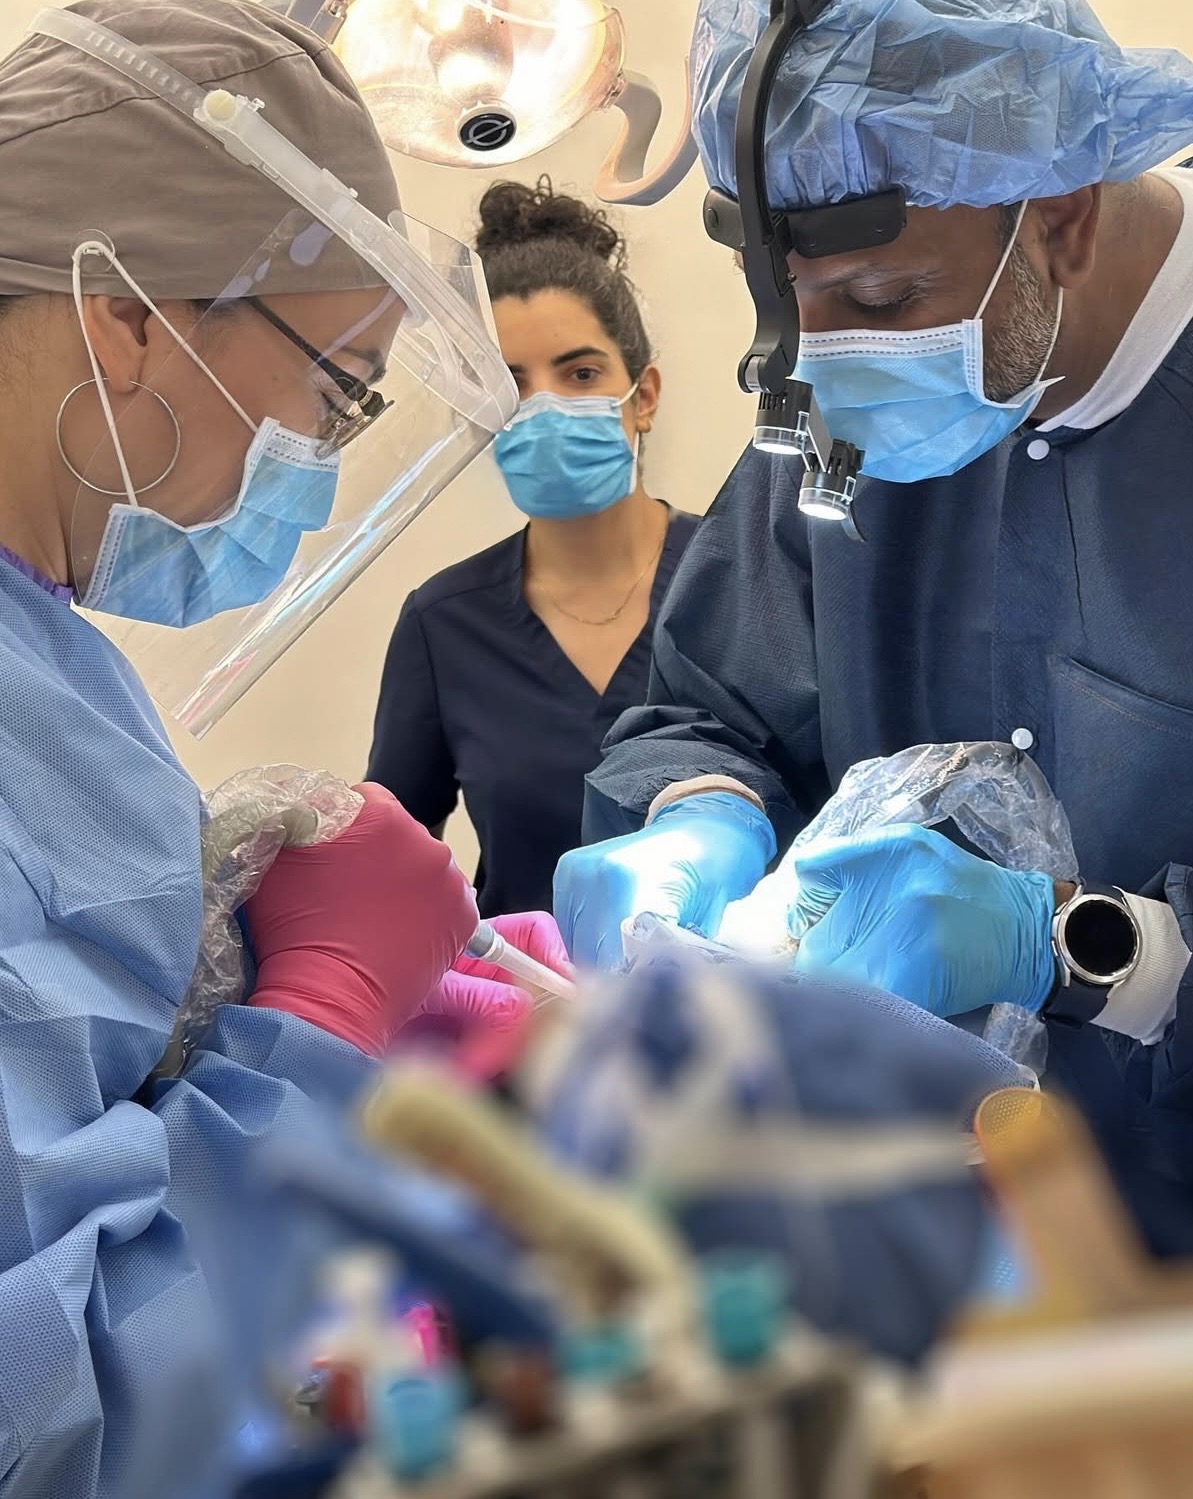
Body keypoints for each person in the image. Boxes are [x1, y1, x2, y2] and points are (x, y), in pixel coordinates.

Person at [0, 3, 565, 1494]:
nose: (316, 459)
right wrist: (317, 1010)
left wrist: (212, 978)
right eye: (335, 389)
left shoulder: (49, 662)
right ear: (127, 315)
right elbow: (71, 1416)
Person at [555, 0, 1193, 1252]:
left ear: (1058, 212)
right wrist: (697, 815)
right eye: (795, 309)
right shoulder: (845, 413)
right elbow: (708, 701)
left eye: (886, 294)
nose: (831, 368)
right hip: (915, 1270)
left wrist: (1087, 953)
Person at [367, 179, 699, 917]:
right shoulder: (444, 624)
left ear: (642, 396)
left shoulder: (743, 579)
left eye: (580, 374)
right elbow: (385, 869)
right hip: (529, 1017)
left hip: (751, 1009)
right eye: (508, 384)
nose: (543, 404)